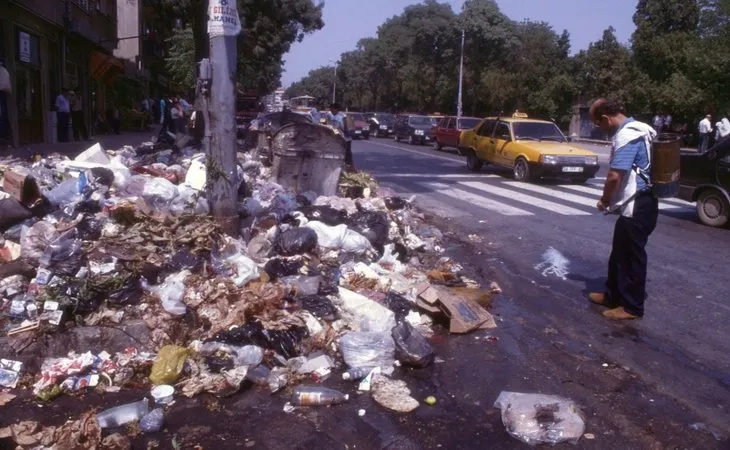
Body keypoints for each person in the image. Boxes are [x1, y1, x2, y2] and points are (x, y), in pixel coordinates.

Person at [589, 98, 659, 321]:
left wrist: (605, 200)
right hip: (639, 202)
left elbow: (614, 176)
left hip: (638, 204)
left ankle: (632, 307)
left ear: (605, 118)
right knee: (619, 251)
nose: (602, 129)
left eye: (599, 125)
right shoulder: (640, 128)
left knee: (632, 256)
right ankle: (612, 295)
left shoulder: (627, 134)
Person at [326, 102, 355, 168]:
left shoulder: (337, 118)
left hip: (342, 138)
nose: (331, 111)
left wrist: (334, 135)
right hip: (348, 138)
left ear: (335, 109)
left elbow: (337, 129)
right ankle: (350, 167)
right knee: (348, 153)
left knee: (342, 153)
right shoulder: (343, 115)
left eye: (332, 109)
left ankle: (344, 167)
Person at [0, 57, 11, 145]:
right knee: (3, 114)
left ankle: (3, 135)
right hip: (4, 93)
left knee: (2, 114)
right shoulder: (5, 70)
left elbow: (2, 85)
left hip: (1, 92)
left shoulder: (1, 71)